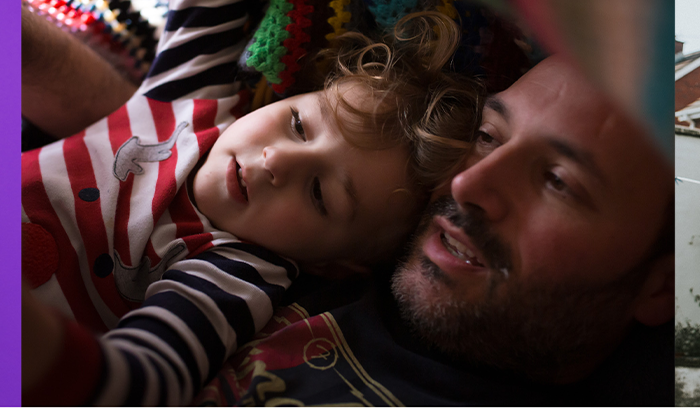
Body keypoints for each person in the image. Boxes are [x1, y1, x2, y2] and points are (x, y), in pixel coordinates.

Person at [20, 0, 483, 405]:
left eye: (319, 193)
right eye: (298, 124)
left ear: (335, 265)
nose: (277, 161)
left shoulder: (236, 274)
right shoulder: (193, 98)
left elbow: (144, 381)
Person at [194, 54, 675, 405]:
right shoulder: (314, 243)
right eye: (487, 136)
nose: (468, 183)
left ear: (664, 286)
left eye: (558, 182)